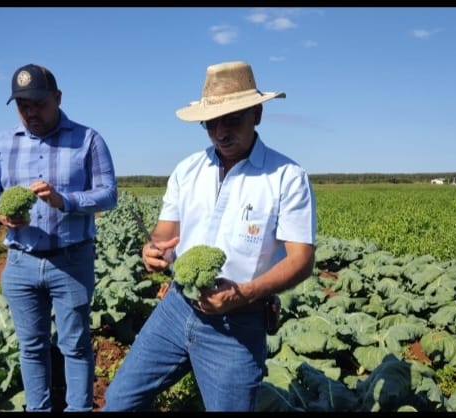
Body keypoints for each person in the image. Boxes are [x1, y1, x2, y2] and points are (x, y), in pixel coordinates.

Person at [103, 60, 317, 411]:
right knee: (120, 400)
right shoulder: (187, 170)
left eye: (231, 120)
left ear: (257, 114)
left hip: (238, 323)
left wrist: (243, 293)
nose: (220, 132)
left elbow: (302, 260)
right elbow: (165, 232)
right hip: (176, 308)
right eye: (211, 123)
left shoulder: (286, 177)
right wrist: (153, 250)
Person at [0, 63, 117, 412]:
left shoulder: (88, 140)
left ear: (58, 98)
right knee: (31, 347)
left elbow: (108, 194)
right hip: (21, 262)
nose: (31, 113)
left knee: (75, 346)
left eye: (39, 104)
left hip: (71, 261)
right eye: (23, 106)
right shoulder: (2, 144)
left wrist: (64, 201)